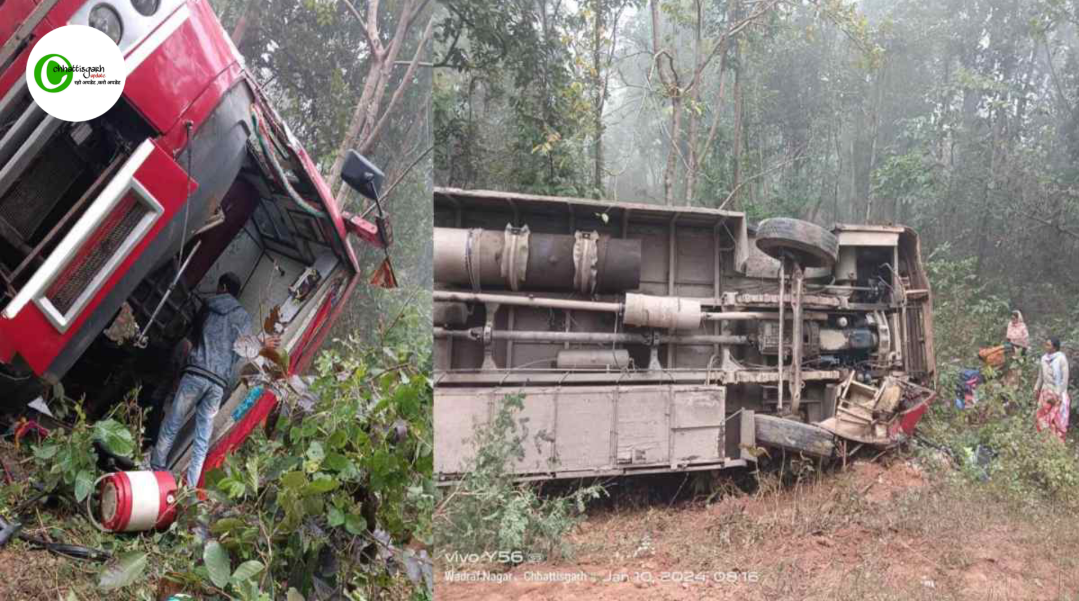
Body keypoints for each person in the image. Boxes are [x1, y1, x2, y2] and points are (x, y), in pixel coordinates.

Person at [151, 273, 278, 486]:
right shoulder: (243, 317)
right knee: (202, 437)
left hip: (195, 373)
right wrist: (263, 344)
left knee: (172, 422)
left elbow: (190, 340)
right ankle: (190, 487)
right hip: (217, 384)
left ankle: (156, 469)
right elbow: (244, 350)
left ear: (222, 287)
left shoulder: (208, 306)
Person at [1034, 337, 1069, 442]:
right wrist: (1036, 388)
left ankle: (1056, 444)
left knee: (1055, 420)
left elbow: (1064, 379)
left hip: (1057, 394)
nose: (1046, 347)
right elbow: (1041, 376)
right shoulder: (1043, 359)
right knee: (1042, 418)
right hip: (1045, 393)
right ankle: (1044, 441)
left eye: (1048, 345)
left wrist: (1057, 395)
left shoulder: (1061, 359)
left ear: (1055, 347)